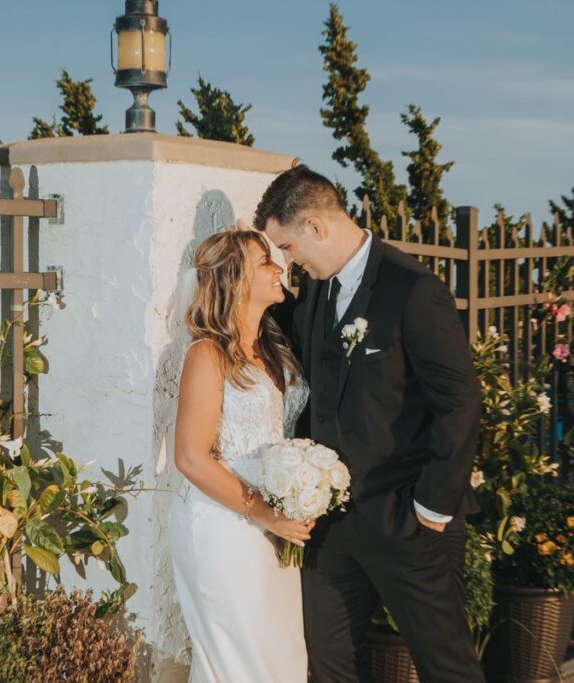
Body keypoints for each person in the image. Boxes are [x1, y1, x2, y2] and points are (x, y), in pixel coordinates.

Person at [255, 165, 486, 682]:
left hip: (408, 519)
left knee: (446, 667)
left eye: (288, 247)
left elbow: (460, 400)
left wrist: (431, 506)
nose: (289, 262)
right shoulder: (316, 291)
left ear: (315, 226)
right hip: (331, 529)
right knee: (329, 665)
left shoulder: (413, 289)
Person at [169, 229, 311, 682]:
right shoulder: (207, 355)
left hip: (272, 527)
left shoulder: (272, 350)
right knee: (240, 666)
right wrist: (264, 512)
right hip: (225, 527)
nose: (277, 268)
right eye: (264, 261)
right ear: (234, 279)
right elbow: (190, 458)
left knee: (279, 659)